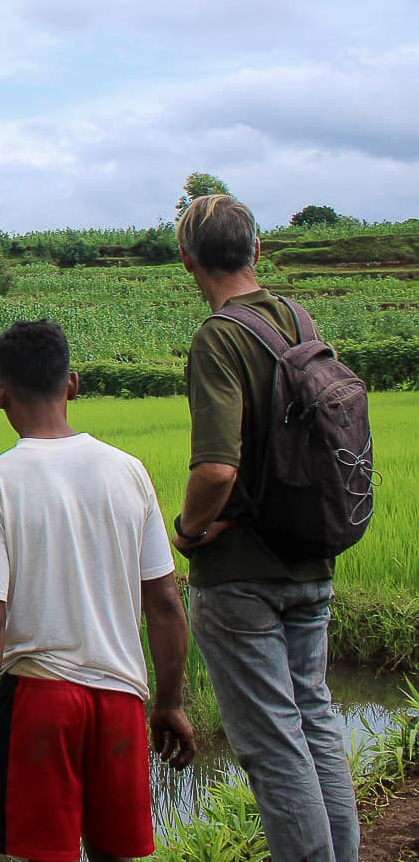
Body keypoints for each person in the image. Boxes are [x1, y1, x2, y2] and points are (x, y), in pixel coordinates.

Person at [0, 319, 196, 862]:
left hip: (40, 699)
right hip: (121, 700)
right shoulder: (129, 472)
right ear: (73, 385)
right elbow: (166, 601)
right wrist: (171, 701)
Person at [172, 194, 359, 862]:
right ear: (257, 251)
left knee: (275, 746)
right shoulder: (300, 320)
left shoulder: (220, 336)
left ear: (188, 259)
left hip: (242, 576)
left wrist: (189, 531)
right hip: (311, 558)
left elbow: (217, 468)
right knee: (315, 724)